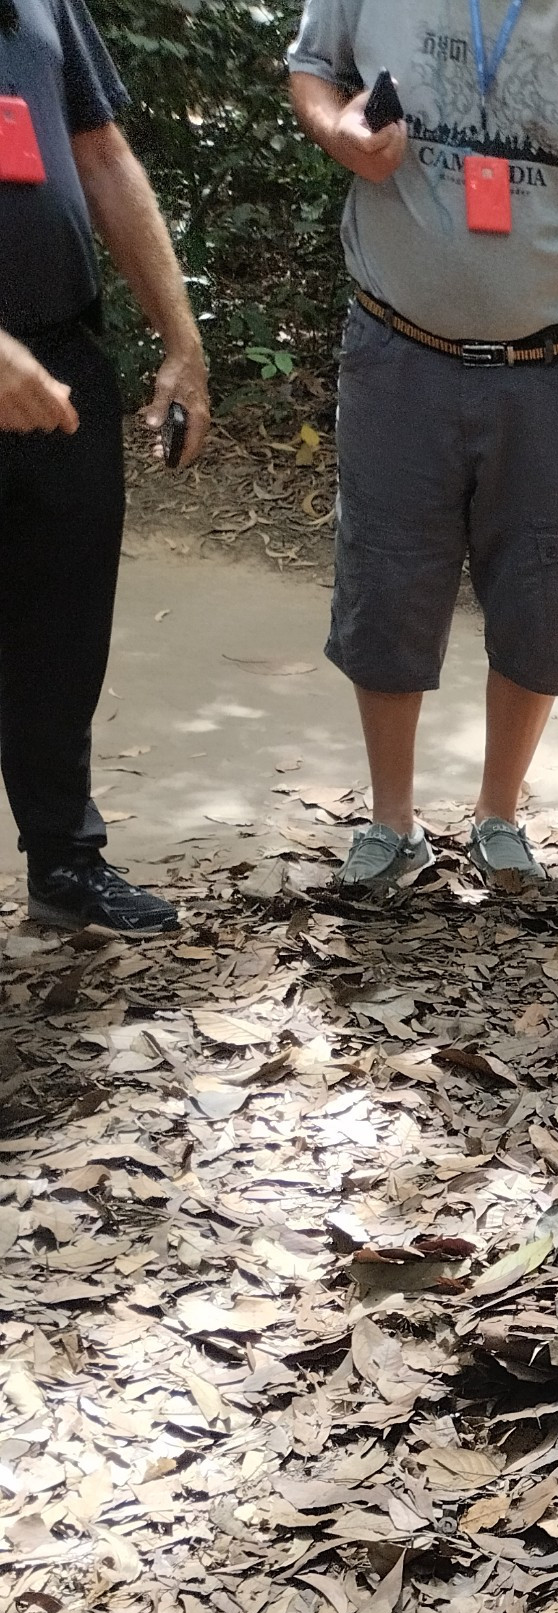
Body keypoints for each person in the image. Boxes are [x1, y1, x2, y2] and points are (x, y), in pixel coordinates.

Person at [286, 0, 558, 897]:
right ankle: (391, 823)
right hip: (399, 348)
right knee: (388, 578)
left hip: (554, 367)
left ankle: (498, 816)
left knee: (543, 590)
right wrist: (340, 128)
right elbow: (312, 68)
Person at [1, 0, 210, 939]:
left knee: (61, 629)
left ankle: (64, 865)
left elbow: (102, 153)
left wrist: (181, 338)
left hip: (63, 362)